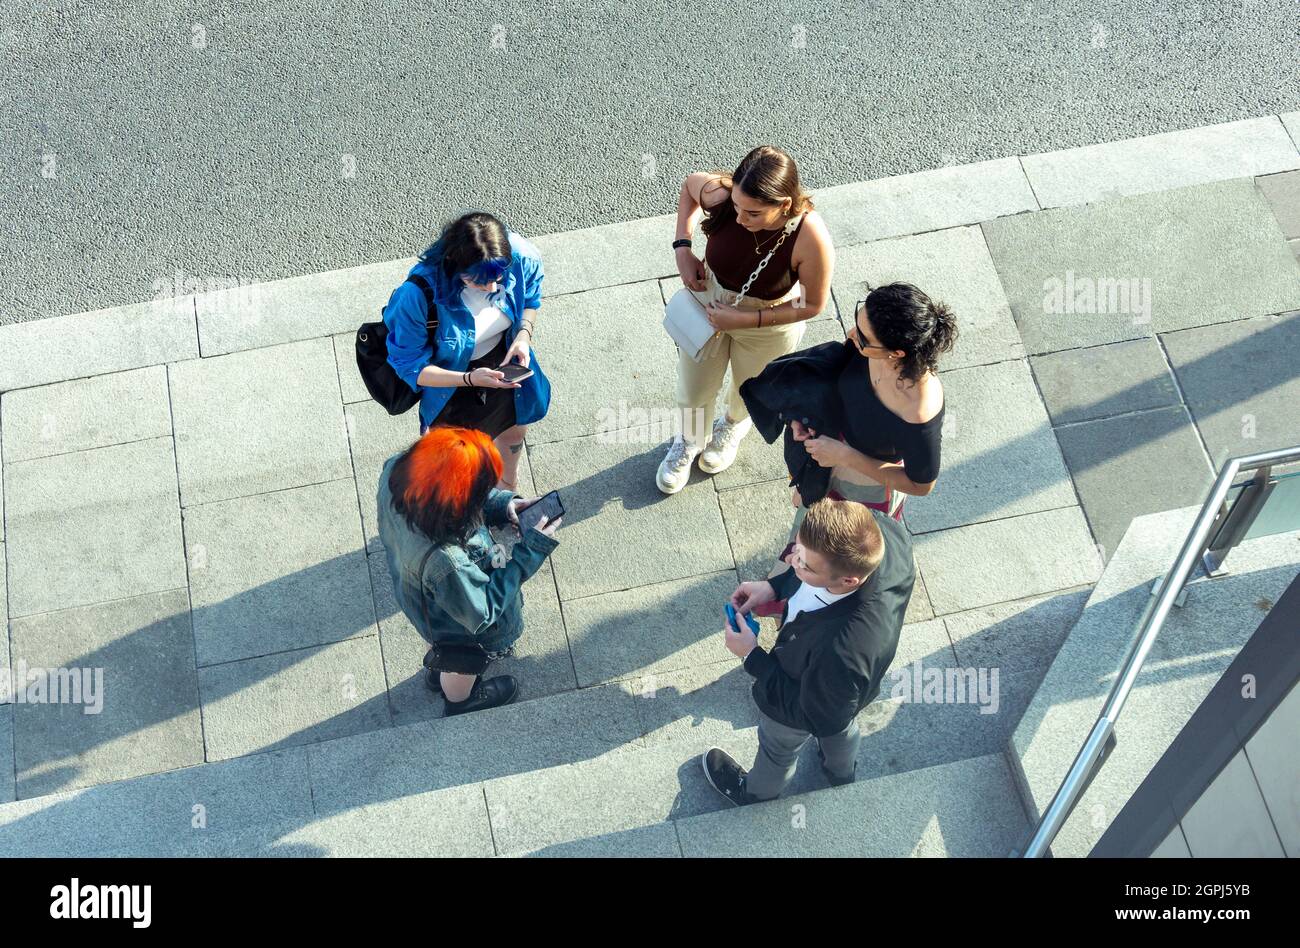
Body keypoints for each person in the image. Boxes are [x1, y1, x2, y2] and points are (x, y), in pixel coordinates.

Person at [755, 282, 956, 614]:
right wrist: (803, 419)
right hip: (831, 452)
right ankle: (788, 586)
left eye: (863, 338)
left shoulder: (917, 408)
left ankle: (810, 608)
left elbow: (922, 484)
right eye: (857, 321)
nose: (851, 335)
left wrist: (845, 456)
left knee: (835, 551)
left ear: (898, 353)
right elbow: (834, 382)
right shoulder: (866, 350)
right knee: (809, 527)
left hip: (866, 485)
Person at [701, 498, 914, 804]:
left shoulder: (843, 652)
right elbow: (814, 562)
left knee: (780, 747)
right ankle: (840, 773)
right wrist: (774, 587)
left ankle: (755, 795)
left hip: (814, 691)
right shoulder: (879, 532)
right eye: (797, 549)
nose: (792, 561)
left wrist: (751, 655)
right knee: (839, 728)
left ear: (848, 580)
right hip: (842, 695)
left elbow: (806, 712)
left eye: (804, 564)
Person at [657, 145, 835, 494]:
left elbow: (812, 304)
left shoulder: (810, 236)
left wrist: (747, 319)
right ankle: (689, 440)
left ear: (784, 205)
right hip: (710, 298)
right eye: (736, 206)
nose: (739, 218)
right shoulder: (725, 196)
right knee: (694, 387)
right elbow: (691, 185)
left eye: (752, 213)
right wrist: (682, 247)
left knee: (748, 388)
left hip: (767, 320)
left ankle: (732, 426)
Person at [376, 427, 561, 716]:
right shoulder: (446, 562)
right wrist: (532, 549)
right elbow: (482, 610)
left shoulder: (396, 473)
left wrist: (504, 504)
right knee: (463, 661)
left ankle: (440, 673)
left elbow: (449, 487)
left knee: (444, 651)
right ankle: (462, 701)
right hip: (460, 627)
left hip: (420, 601)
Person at [383, 211, 551, 492]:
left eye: (499, 277)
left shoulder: (520, 256)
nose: (493, 287)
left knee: (513, 432)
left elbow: (531, 297)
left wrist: (523, 336)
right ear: (454, 266)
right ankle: (466, 510)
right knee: (459, 463)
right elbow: (410, 364)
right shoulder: (417, 294)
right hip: (451, 386)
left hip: (504, 366)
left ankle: (507, 488)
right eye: (479, 281)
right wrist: (471, 379)